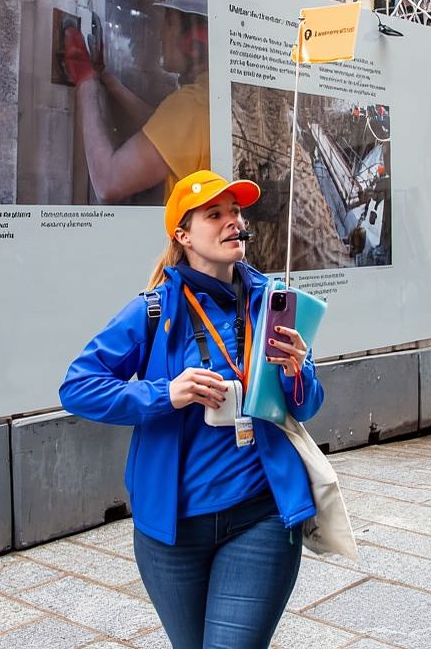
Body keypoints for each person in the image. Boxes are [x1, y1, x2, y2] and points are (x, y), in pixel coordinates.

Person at [60, 170, 324, 649]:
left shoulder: (273, 302)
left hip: (261, 518)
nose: (232, 222)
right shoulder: (155, 309)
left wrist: (297, 371)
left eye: (236, 213)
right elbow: (78, 386)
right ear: (182, 235)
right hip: (172, 535)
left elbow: (309, 405)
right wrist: (165, 393)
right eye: (215, 214)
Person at [63, 0, 210, 203]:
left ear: (194, 40)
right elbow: (163, 129)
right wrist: (108, 81)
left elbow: (108, 182)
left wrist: (85, 81)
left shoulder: (191, 106)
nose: (160, 35)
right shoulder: (207, 98)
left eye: (169, 23)